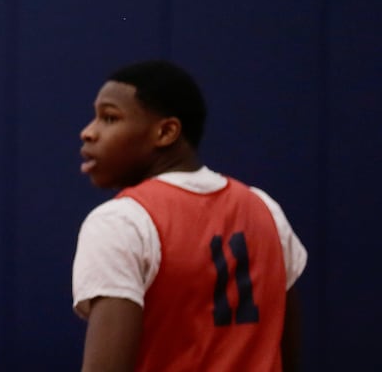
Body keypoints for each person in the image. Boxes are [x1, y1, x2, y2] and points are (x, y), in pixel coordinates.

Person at [72, 60, 308, 372]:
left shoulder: (121, 221)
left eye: (110, 118)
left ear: (166, 132)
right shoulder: (265, 210)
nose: (88, 132)